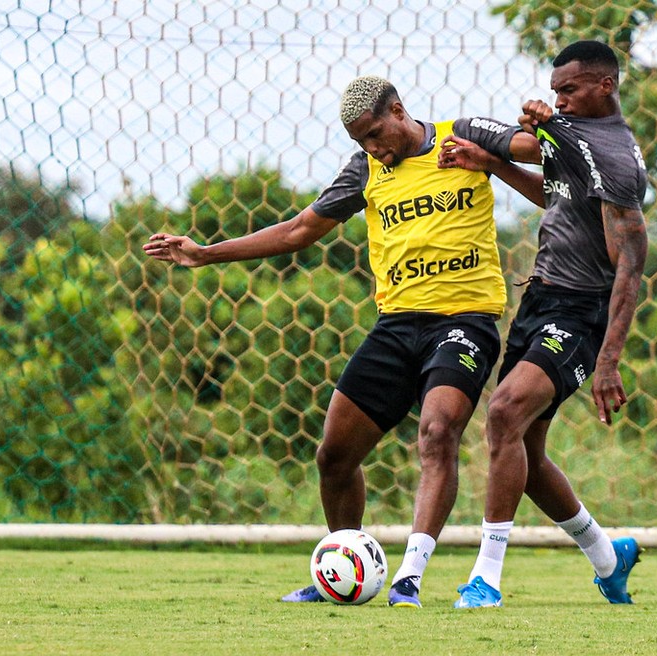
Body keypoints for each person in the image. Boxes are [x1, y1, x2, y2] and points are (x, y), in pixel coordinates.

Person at [142, 76, 522, 609]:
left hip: (464, 320)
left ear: (397, 110)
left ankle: (409, 578)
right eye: (360, 141)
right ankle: (344, 564)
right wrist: (207, 253)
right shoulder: (367, 170)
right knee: (334, 456)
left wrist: (520, 144)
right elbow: (299, 230)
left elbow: (526, 153)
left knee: (438, 433)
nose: (371, 147)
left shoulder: (458, 140)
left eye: (374, 134)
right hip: (396, 325)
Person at [438, 40, 649, 608]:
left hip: (582, 311)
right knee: (522, 451)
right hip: (539, 301)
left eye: (571, 89)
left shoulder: (616, 158)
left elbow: (631, 266)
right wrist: (493, 162)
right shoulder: (569, 137)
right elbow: (556, 197)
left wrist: (608, 360)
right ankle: (609, 558)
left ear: (606, 85)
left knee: (503, 411)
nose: (560, 99)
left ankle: (485, 579)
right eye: (555, 90)